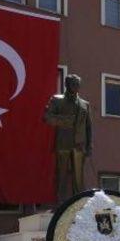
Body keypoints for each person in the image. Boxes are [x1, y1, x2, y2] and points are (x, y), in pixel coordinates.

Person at [44, 74, 92, 202]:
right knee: (61, 176)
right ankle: (60, 204)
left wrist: (89, 146)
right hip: (63, 143)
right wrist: (66, 121)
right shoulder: (57, 100)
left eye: (78, 84)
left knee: (78, 178)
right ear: (67, 85)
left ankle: (79, 204)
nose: (76, 87)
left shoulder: (84, 104)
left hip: (79, 145)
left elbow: (88, 127)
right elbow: (47, 117)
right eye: (73, 84)